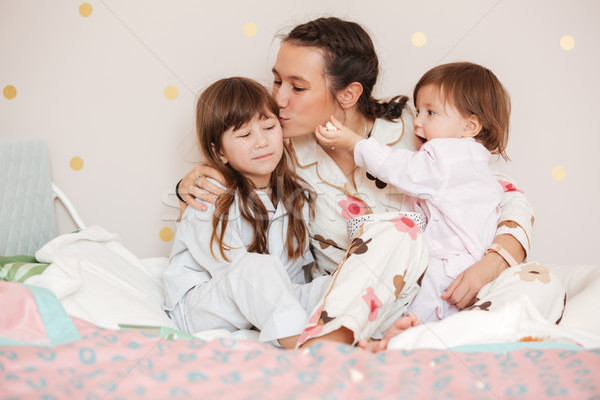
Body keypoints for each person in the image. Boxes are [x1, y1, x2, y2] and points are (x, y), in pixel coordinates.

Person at [174, 17, 541, 347]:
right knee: (400, 229)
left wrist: (494, 261)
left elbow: (500, 194)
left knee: (537, 287)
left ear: (348, 94)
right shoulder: (276, 149)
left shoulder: (414, 127)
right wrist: (191, 184)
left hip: (430, 288)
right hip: (343, 300)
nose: (278, 98)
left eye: (297, 87)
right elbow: (235, 181)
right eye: (276, 80)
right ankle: (330, 345)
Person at [315, 61, 510, 324]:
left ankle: (402, 329)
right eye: (418, 111)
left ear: (470, 126)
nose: (417, 122)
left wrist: (354, 143)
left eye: (430, 113)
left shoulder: (448, 156)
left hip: (450, 266)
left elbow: (401, 168)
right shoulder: (472, 161)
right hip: (467, 265)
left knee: (413, 300)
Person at [163, 77, 331, 349]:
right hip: (202, 308)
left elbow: (293, 277)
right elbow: (235, 269)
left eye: (268, 127)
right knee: (256, 266)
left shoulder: (295, 194)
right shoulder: (210, 191)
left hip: (263, 302)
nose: (261, 142)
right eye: (244, 135)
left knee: (332, 286)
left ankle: (364, 329)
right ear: (219, 153)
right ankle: (302, 344)